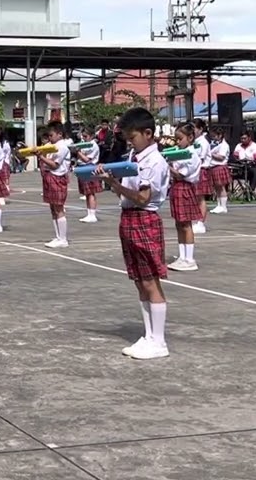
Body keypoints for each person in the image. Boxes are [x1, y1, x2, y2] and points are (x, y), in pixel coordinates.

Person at [100, 107, 171, 360]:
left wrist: (114, 183)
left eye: (133, 137)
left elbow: (142, 198)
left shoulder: (153, 161)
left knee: (151, 281)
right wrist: (112, 182)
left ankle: (159, 341)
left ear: (148, 133)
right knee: (140, 281)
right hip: (129, 218)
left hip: (144, 219)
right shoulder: (135, 157)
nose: (130, 142)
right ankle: (149, 335)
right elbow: (127, 193)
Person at [166, 123, 202, 272]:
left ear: (190, 137)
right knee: (179, 224)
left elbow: (181, 174)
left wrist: (167, 165)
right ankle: (182, 256)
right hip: (177, 187)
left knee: (186, 224)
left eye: (180, 139)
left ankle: (190, 259)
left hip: (184, 187)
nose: (178, 142)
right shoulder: (180, 151)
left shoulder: (191, 154)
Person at [38, 122, 73, 249]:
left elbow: (55, 165)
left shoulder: (62, 147)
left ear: (59, 134)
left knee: (59, 208)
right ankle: (58, 236)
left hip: (57, 177)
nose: (50, 137)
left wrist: (41, 157)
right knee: (53, 209)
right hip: (50, 176)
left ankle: (63, 239)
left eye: (51, 135)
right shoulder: (51, 145)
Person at [74, 128, 101, 224]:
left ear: (92, 136)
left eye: (86, 136)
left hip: (89, 167)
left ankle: (92, 214)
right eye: (83, 136)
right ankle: (89, 213)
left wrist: (78, 152)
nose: (84, 138)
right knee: (87, 192)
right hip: (82, 167)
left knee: (91, 192)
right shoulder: (83, 144)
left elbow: (87, 159)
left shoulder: (94, 145)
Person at [191, 118, 211, 233]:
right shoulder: (196, 142)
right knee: (195, 197)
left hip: (201, 170)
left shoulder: (203, 142)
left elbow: (199, 158)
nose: (192, 131)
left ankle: (200, 222)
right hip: (195, 171)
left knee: (200, 198)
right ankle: (196, 220)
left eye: (194, 128)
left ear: (200, 129)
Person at [208, 127, 232, 214]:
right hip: (213, 167)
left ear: (220, 135)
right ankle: (219, 205)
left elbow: (221, 157)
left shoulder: (224, 145)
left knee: (221, 187)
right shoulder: (216, 144)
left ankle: (224, 206)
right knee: (216, 188)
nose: (213, 137)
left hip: (219, 167)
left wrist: (210, 154)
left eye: (214, 136)